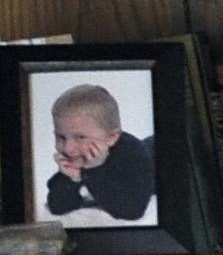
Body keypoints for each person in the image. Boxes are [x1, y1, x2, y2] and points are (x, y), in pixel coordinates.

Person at [40, 82, 157, 224]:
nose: (68, 148)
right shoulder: (78, 155)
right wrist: (72, 179)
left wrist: (94, 170)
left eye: (80, 137)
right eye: (61, 137)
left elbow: (132, 210)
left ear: (111, 138)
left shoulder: (132, 154)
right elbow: (57, 207)